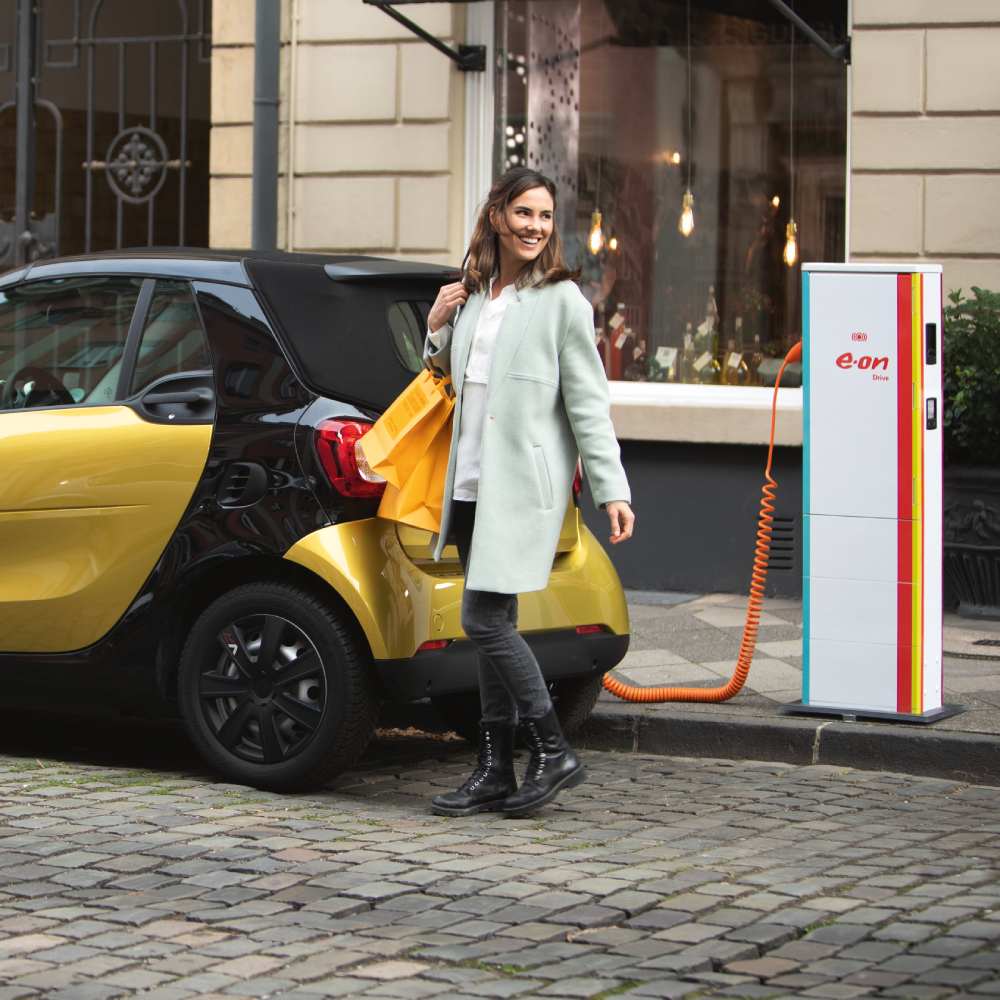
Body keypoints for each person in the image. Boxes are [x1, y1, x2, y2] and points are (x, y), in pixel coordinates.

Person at [422, 167, 635, 818]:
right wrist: (436, 324)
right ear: (497, 217)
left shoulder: (563, 301)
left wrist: (612, 488)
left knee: (482, 621)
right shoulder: (474, 296)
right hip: (469, 484)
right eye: (523, 213)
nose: (535, 227)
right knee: (497, 625)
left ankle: (551, 748)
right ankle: (494, 769)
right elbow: (444, 375)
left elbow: (588, 403)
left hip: (520, 487)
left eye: (544, 216)